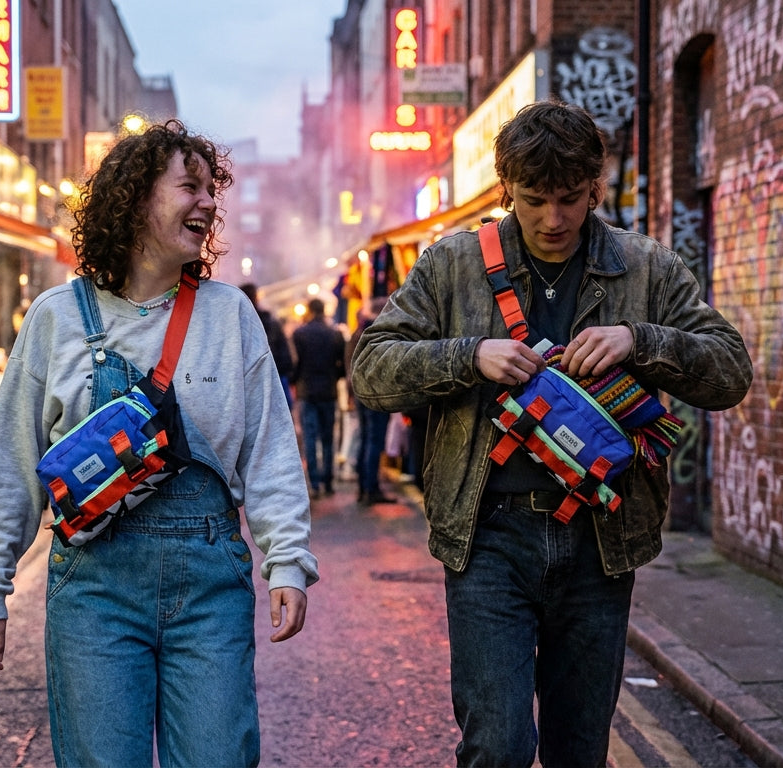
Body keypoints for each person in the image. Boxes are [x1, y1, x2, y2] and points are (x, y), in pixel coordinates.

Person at [351, 99, 753, 767]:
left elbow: (730, 371)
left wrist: (640, 340)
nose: (554, 219)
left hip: (600, 541)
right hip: (488, 538)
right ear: (505, 186)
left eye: (571, 198)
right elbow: (370, 370)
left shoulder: (645, 265)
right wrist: (467, 355)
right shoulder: (452, 265)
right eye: (535, 199)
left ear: (598, 184)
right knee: (499, 746)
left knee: (579, 751)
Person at [0, 120, 318, 767]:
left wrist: (286, 559)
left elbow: (269, 450)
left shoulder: (230, 315)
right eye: (190, 187)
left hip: (211, 584)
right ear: (135, 200)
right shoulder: (56, 317)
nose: (209, 204)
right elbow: (8, 464)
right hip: (94, 589)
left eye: (214, 190)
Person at [290, 297, 345, 497]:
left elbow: (295, 366)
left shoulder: (299, 334)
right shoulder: (335, 335)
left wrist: (295, 381)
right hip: (328, 392)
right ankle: (328, 481)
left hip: (307, 392)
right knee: (328, 438)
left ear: (310, 311)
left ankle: (314, 483)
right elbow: (342, 366)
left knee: (310, 438)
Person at [346, 297, 394, 505]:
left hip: (360, 391)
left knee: (365, 439)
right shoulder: (379, 331)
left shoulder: (358, 331)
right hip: (376, 392)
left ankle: (363, 487)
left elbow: (349, 364)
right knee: (374, 441)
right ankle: (371, 489)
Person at [240, 281, 294, 405]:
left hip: (248, 384)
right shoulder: (272, 322)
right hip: (276, 377)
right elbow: (286, 356)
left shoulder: (237, 324)